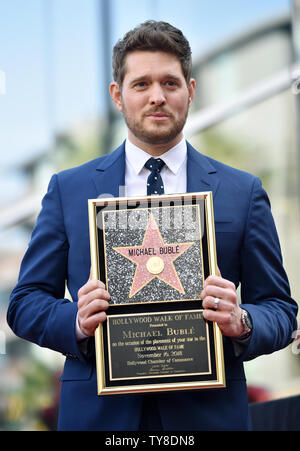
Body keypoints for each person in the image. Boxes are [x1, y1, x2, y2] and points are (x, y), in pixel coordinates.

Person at [7, 20, 298, 431]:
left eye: (170, 83)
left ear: (191, 91)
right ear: (118, 96)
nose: (157, 97)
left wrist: (243, 322)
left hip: (207, 418)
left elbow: (281, 310)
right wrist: (75, 320)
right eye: (141, 84)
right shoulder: (68, 190)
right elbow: (25, 303)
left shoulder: (242, 192)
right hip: (98, 419)